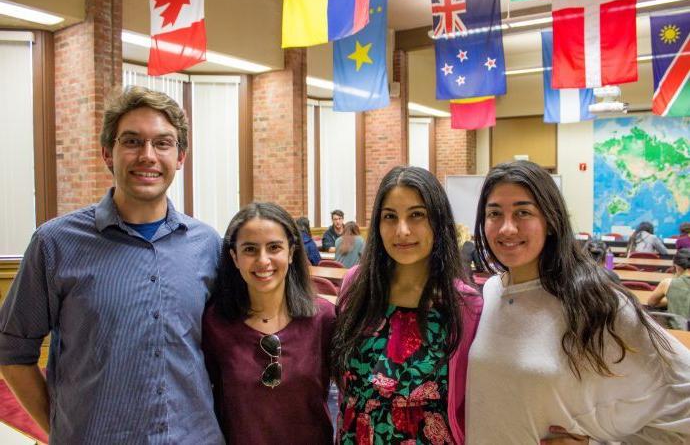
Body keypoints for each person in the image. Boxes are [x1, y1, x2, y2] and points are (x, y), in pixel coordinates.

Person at [0, 86, 224, 443]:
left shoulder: (208, 245)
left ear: (180, 157)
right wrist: (61, 430)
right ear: (108, 153)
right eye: (132, 141)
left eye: (163, 143)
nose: (148, 156)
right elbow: (12, 351)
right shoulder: (55, 243)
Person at [467, 160, 690, 444]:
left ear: (550, 221)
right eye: (494, 213)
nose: (506, 228)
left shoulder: (595, 302)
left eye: (523, 212)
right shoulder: (491, 292)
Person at [331, 165, 483, 444]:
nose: (402, 230)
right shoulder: (355, 285)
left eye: (417, 215)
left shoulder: (464, 304)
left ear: (438, 222)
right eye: (390, 217)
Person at [202, 202, 335, 443]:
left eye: (274, 247)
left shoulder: (324, 319)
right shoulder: (215, 323)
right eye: (250, 249)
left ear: (292, 252)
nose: (263, 260)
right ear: (234, 257)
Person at [648, 248, 690, 330]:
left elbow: (651, 303)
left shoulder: (667, 283)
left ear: (676, 266)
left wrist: (674, 299)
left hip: (675, 333)